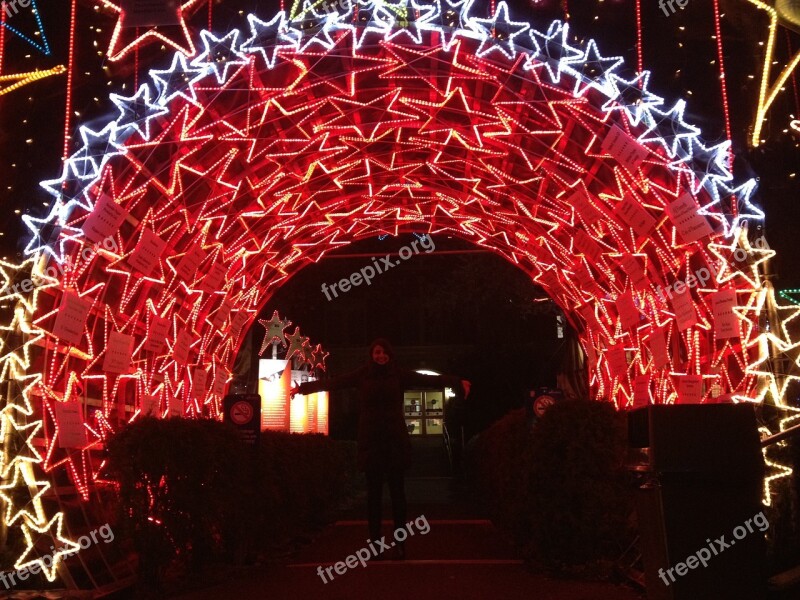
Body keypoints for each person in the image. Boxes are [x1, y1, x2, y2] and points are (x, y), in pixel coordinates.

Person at [290, 338, 470, 560]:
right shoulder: (362, 374)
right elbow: (335, 383)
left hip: (394, 442)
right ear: (371, 355)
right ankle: (375, 543)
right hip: (372, 442)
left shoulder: (398, 374)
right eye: (377, 352)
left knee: (398, 496)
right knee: (373, 497)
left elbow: (428, 380)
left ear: (390, 355)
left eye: (384, 352)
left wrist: (456, 381)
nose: (380, 356)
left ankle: (400, 543)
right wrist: (303, 388)